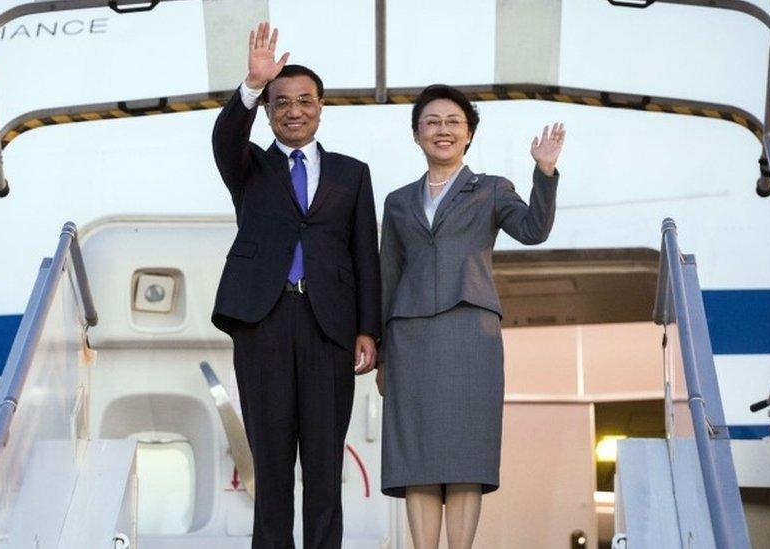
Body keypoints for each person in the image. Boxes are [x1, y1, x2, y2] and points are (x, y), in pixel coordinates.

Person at [210, 22, 381, 549]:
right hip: (264, 323)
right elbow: (224, 137)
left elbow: (364, 257)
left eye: (305, 100)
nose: (293, 110)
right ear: (267, 111)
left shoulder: (352, 173)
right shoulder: (250, 166)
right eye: (281, 102)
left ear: (321, 107)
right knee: (272, 465)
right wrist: (252, 83)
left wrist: (368, 330)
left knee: (326, 467)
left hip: (329, 328)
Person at [376, 84, 565, 549]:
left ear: (469, 135)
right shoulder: (398, 201)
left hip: (470, 334)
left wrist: (545, 173)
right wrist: (381, 350)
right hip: (411, 337)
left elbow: (533, 230)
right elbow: (387, 276)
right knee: (416, 455)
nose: (443, 130)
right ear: (416, 134)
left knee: (465, 455)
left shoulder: (493, 189)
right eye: (432, 122)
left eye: (453, 123)